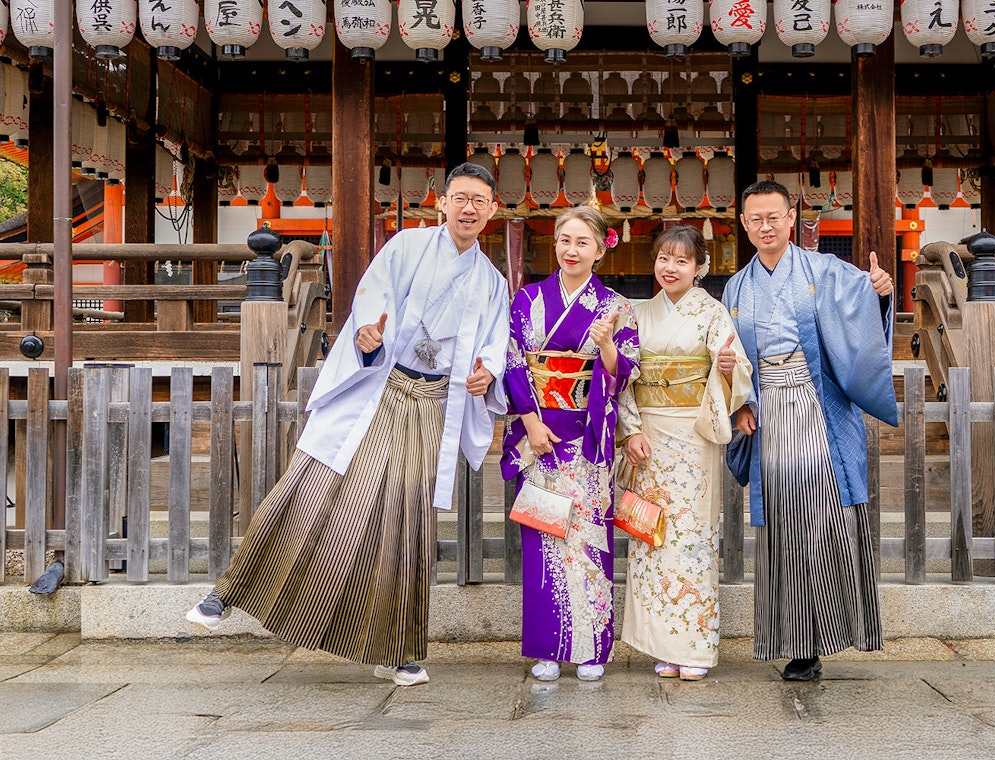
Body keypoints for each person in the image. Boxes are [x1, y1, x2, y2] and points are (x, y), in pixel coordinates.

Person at [186, 163, 509, 688]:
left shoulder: (492, 282)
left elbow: (497, 340)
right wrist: (366, 333)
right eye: (460, 198)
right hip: (382, 387)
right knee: (317, 486)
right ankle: (226, 593)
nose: (469, 208)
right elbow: (373, 298)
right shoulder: (407, 246)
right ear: (442, 204)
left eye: (480, 200)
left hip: (432, 402)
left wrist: (488, 370)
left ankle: (397, 648)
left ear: (492, 211)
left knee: (406, 521)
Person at [722, 180, 897, 681]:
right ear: (743, 223)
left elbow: (863, 319)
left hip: (817, 405)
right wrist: (741, 404)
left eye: (774, 217)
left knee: (824, 523)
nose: (766, 227)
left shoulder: (826, 270)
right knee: (781, 525)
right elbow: (730, 357)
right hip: (768, 409)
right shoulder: (736, 287)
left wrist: (880, 295)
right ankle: (794, 643)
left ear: (792, 217)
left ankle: (831, 634)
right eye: (755, 219)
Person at [500, 205, 639, 683]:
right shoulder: (527, 300)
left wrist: (605, 347)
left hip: (587, 435)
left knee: (589, 540)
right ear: (554, 245)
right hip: (539, 435)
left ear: (601, 250)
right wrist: (531, 423)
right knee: (543, 538)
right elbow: (514, 361)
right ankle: (547, 647)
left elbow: (625, 372)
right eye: (564, 240)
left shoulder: (616, 307)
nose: (571, 250)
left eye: (583, 242)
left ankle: (592, 647)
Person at [617, 225, 752, 682]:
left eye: (681, 261)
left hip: (693, 436)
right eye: (663, 259)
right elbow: (624, 378)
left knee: (691, 542)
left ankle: (693, 646)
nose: (670, 268)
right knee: (651, 536)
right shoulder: (639, 313)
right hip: (648, 438)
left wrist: (728, 371)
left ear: (699, 267)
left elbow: (736, 371)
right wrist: (630, 429)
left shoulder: (711, 314)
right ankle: (660, 643)